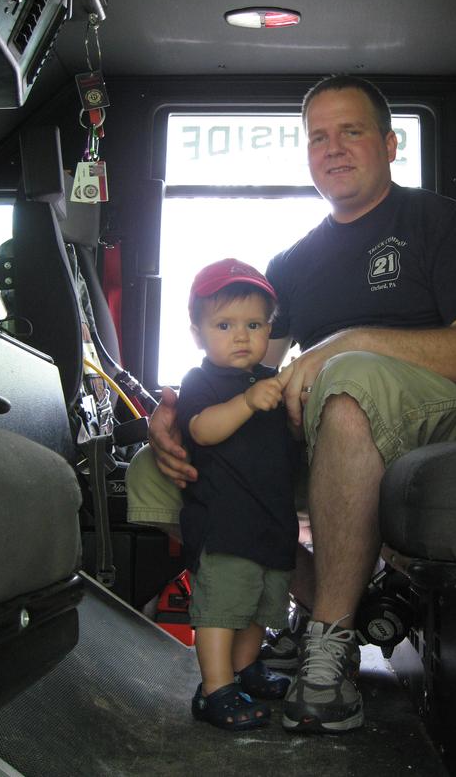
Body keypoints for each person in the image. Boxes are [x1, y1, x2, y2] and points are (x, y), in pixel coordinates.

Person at [129, 75, 456, 734]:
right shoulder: (294, 259)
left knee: (347, 380)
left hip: (441, 429)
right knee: (153, 466)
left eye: (352, 131)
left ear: (391, 143)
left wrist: (350, 341)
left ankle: (328, 648)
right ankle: (295, 602)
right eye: (318, 137)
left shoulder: (436, 221)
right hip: (335, 426)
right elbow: (246, 365)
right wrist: (171, 408)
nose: (333, 148)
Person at [175, 258, 299, 731]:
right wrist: (247, 402)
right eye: (224, 325)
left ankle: (245, 670)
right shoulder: (201, 382)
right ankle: (215, 689)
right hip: (224, 525)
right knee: (221, 609)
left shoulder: (268, 382)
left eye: (254, 324)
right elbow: (203, 431)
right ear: (198, 333)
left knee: (258, 609)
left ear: (270, 329)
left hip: (271, 522)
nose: (241, 336)